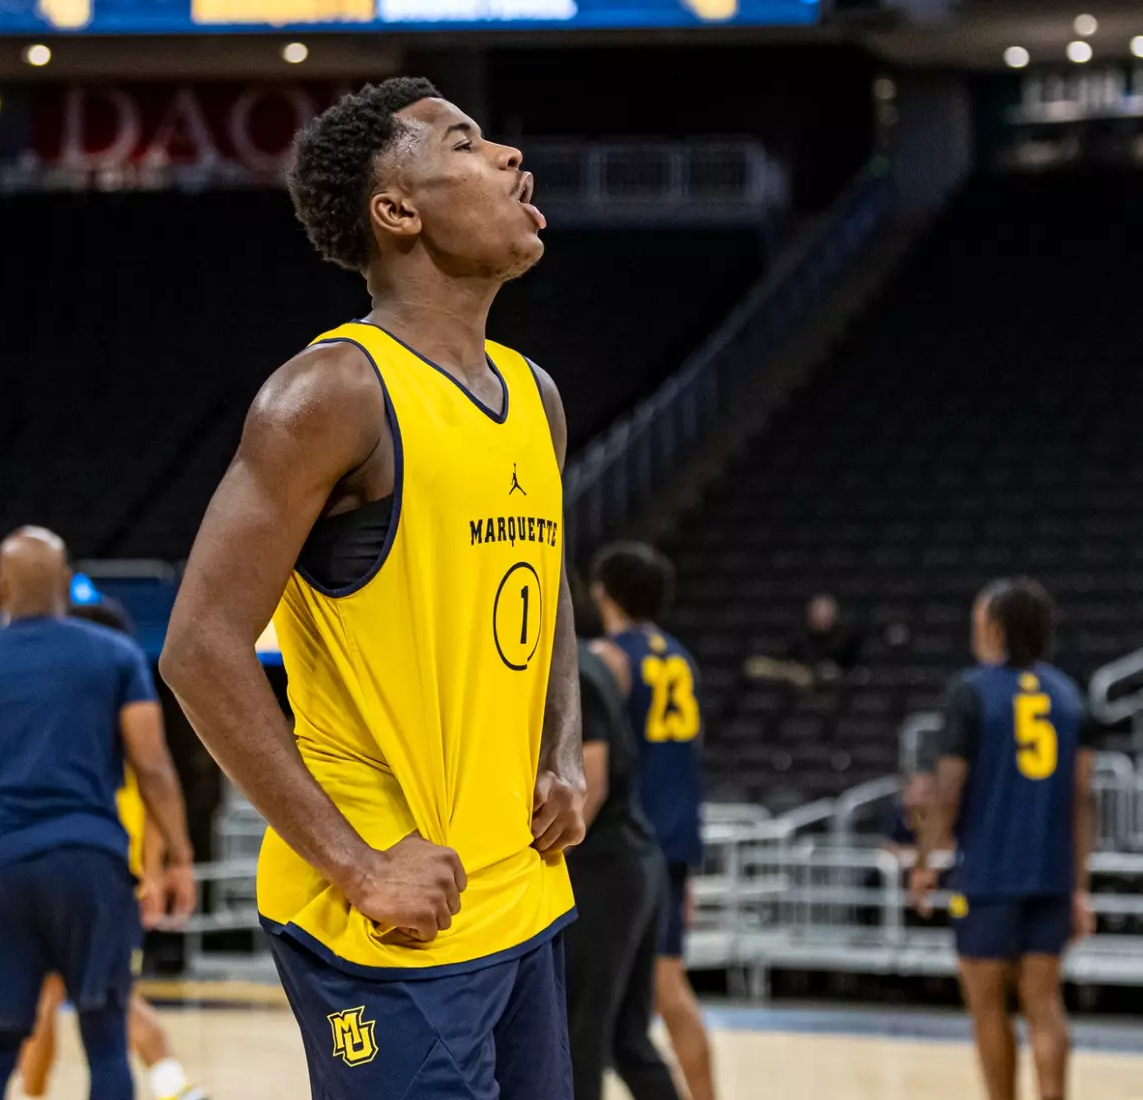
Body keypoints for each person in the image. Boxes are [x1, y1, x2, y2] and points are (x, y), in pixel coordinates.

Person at [159, 77, 586, 1100]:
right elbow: (198, 647)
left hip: (518, 898)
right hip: (388, 922)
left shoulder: (535, 394)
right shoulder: (330, 393)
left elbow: (546, 582)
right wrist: (358, 865)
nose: (509, 158)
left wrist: (563, 747)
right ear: (397, 211)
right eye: (466, 145)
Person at [0, 527, 197, 1100]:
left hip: (4, 871)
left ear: (0, 587)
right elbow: (153, 765)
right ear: (66, 584)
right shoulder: (116, 657)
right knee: (107, 1042)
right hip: (92, 866)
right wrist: (179, 859)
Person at [908, 578, 1096, 1100]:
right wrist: (1080, 886)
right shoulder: (1069, 695)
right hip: (1052, 875)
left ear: (994, 628)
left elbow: (948, 789)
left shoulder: (971, 691)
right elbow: (1084, 797)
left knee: (988, 1007)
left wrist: (924, 862)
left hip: (989, 874)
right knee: (1045, 1005)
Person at [17, 599, 207, 1100]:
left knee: (59, 995)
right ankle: (174, 1083)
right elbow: (156, 790)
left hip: (74, 870)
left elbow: (151, 788)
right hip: (111, 877)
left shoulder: (60, 713)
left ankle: (170, 1083)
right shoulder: (128, 709)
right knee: (102, 994)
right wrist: (156, 871)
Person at [589, 542, 717, 1100]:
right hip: (676, 838)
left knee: (663, 990)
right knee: (653, 997)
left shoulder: (611, 659)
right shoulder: (681, 659)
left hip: (633, 840)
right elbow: (690, 757)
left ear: (606, 594)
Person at [565, 574, 683, 1100]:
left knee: (580, 1033)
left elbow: (591, 783)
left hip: (605, 867)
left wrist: (547, 855)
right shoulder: (595, 662)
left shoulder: (576, 670)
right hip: (635, 863)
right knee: (626, 1039)